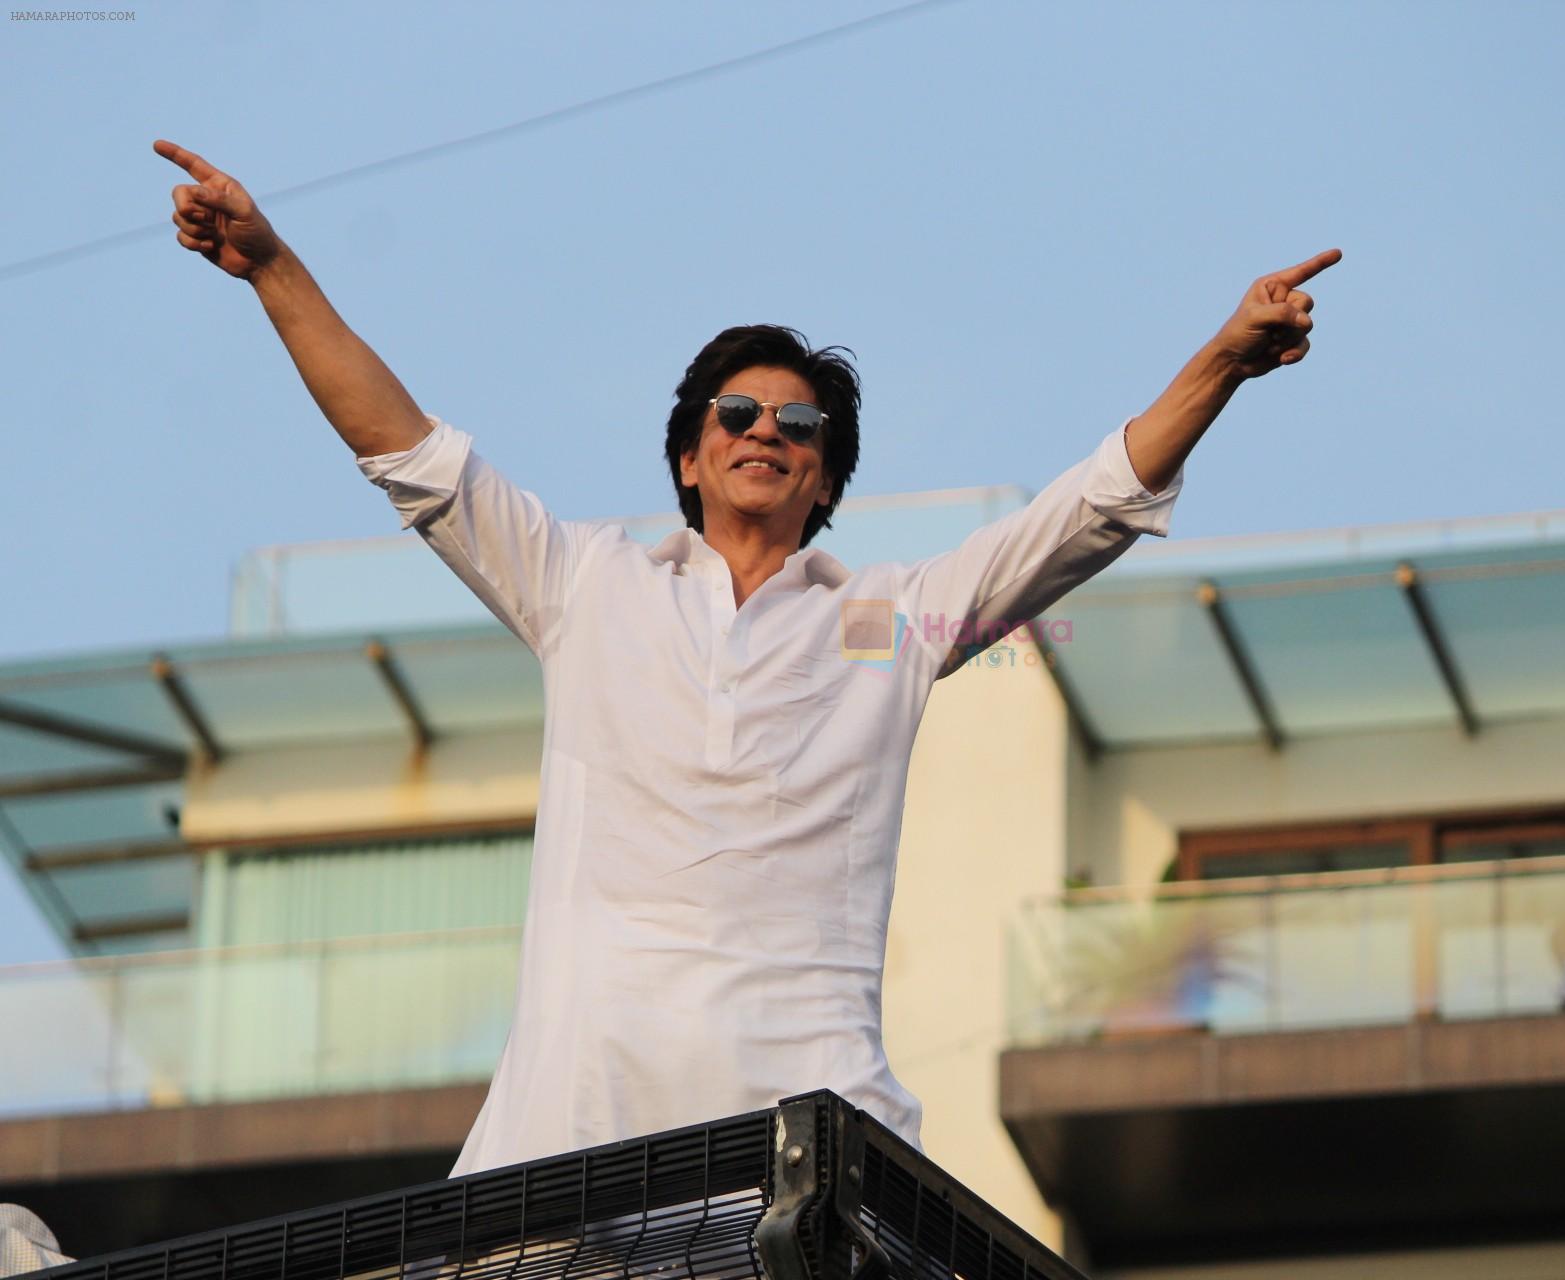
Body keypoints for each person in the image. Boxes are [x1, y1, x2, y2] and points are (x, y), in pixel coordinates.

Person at [154, 138, 1340, 1176]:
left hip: (800, 1140)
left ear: (824, 478)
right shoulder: (584, 581)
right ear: (688, 457)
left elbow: (1089, 512)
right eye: (737, 412)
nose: (768, 428)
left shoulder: (890, 619)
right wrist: (272, 265)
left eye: (801, 424)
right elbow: (403, 447)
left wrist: (1223, 359)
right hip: (572, 1127)